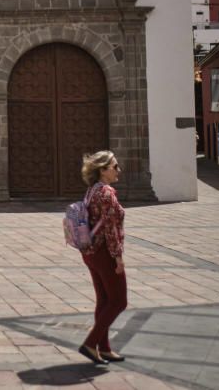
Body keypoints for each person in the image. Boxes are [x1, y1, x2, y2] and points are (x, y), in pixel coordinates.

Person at [78, 150, 127, 365]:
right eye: (115, 167)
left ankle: (104, 348)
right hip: (104, 253)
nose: (118, 170)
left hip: (90, 252)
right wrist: (118, 258)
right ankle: (90, 343)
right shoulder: (106, 193)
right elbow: (110, 229)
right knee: (118, 301)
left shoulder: (91, 191)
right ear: (103, 170)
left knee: (104, 300)